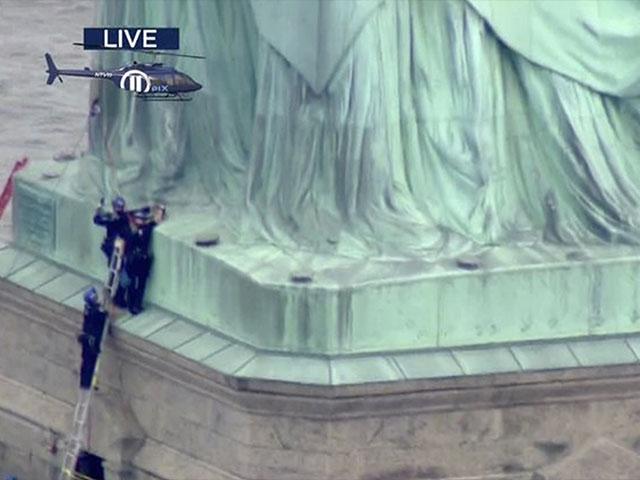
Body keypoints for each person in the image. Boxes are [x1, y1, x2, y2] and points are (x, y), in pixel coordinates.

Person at [125, 205, 165, 315]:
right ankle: (131, 305)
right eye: (140, 219)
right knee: (132, 284)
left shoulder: (147, 228)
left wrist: (161, 210)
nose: (142, 221)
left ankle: (137, 305)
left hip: (142, 260)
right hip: (133, 260)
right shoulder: (130, 231)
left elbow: (156, 221)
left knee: (141, 285)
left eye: (143, 219)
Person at [77, 287, 107, 390]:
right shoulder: (94, 311)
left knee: (86, 362)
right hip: (92, 341)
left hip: (87, 339)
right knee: (90, 363)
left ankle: (84, 383)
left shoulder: (88, 308)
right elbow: (101, 318)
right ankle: (87, 382)